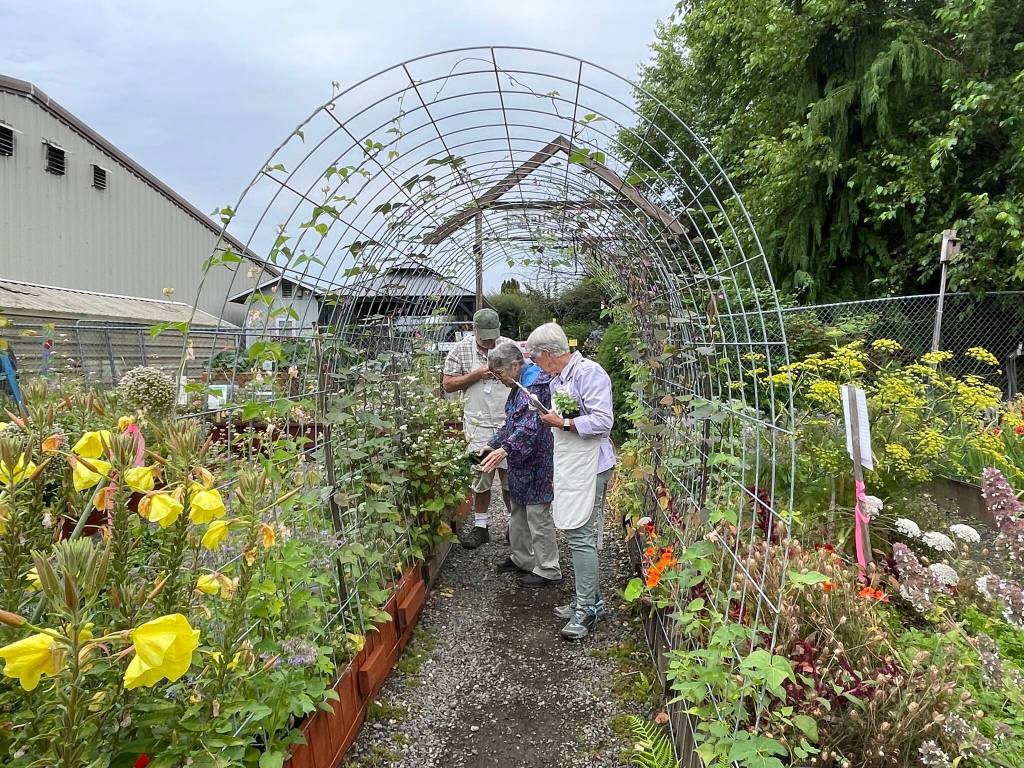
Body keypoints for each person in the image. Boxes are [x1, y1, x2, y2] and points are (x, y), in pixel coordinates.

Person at [527, 322, 614, 640]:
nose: (536, 366)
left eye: (537, 359)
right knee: (577, 531)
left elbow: (604, 421)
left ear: (548, 355)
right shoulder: (559, 378)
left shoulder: (588, 373)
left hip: (592, 466)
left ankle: (587, 611)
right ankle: (589, 600)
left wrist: (562, 422)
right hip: (575, 463)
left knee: (580, 534)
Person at [479, 343, 560, 587]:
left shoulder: (535, 386)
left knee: (537, 514)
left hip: (537, 460)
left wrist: (505, 449)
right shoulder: (518, 385)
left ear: (515, 366)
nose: (497, 379)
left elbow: (530, 427)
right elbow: (511, 424)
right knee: (519, 512)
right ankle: (522, 559)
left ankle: (548, 569)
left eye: (499, 373)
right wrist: (493, 444)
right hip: (521, 463)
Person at [442, 308, 514, 548]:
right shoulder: (460, 350)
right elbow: (448, 384)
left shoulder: (509, 348)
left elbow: (524, 377)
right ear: (474, 330)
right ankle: (481, 526)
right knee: (481, 477)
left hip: (508, 421)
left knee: (511, 478)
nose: (490, 342)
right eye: (485, 338)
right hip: (478, 425)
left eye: (493, 337)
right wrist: (477, 374)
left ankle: (515, 527)